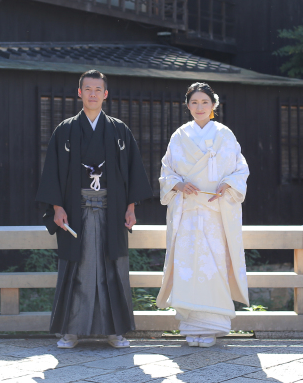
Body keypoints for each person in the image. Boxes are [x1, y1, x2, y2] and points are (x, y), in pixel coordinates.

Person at [36, 70, 153, 349]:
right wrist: (56, 207)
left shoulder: (119, 130)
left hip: (111, 210)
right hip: (75, 212)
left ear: (105, 94)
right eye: (87, 88)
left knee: (113, 268)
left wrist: (131, 207)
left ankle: (116, 332)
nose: (92, 93)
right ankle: (70, 331)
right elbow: (52, 173)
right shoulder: (64, 130)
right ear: (79, 93)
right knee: (75, 269)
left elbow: (132, 172)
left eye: (97, 89)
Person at [156, 82, 250, 348]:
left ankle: (211, 327)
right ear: (188, 106)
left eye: (204, 103)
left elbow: (240, 169)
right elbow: (166, 171)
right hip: (187, 211)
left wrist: (228, 184)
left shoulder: (225, 135)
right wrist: (178, 185)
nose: (199, 107)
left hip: (215, 212)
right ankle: (191, 326)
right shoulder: (179, 136)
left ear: (213, 106)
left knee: (213, 266)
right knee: (188, 266)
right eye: (194, 103)